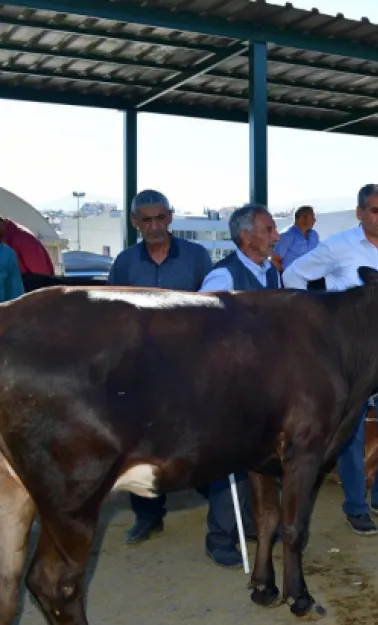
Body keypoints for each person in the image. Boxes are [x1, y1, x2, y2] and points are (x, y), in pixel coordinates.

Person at [282, 184, 378, 537]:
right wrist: (319, 317)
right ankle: (356, 507)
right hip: (349, 358)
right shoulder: (337, 246)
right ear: (360, 213)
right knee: (350, 438)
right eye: (375, 210)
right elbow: (293, 275)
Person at [107, 189, 215, 546]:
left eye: (159, 218)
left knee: (200, 433)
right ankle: (148, 515)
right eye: (145, 220)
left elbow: (214, 308)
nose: (154, 226)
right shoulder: (124, 262)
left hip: (190, 365)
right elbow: (112, 313)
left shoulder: (198, 257)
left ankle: (213, 497)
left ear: (169, 217)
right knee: (144, 441)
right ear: (136, 222)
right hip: (142, 367)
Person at [198, 202, 282, 567]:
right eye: (268, 230)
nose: (276, 236)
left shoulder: (271, 274)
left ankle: (253, 524)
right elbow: (200, 329)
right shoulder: (224, 277)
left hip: (265, 386)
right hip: (231, 386)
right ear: (246, 237)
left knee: (260, 456)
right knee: (228, 464)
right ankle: (219, 537)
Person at [272, 205, 318, 273]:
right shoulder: (287, 236)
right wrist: (285, 276)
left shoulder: (314, 235)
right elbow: (274, 260)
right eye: (312, 217)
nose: (315, 220)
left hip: (312, 276)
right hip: (292, 280)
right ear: (302, 219)